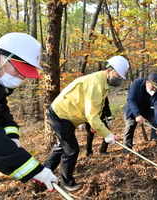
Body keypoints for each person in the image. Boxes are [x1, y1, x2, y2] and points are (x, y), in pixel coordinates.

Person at [44, 55, 130, 191]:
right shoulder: (95, 84)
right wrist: (106, 134)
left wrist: (98, 126)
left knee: (62, 145)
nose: (119, 79)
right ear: (109, 70)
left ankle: (45, 171)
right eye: (118, 76)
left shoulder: (103, 82)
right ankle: (67, 183)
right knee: (71, 150)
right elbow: (91, 114)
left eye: (120, 77)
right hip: (61, 114)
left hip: (68, 115)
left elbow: (97, 109)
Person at [0, 32, 58, 192]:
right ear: (0, 57)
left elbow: (1, 112)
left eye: (25, 74)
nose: (21, 77)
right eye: (19, 70)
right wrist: (35, 170)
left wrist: (12, 136)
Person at [123, 73, 157, 151]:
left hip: (146, 108)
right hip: (133, 108)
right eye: (153, 87)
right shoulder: (137, 83)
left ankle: (155, 145)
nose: (155, 89)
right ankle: (127, 149)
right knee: (130, 126)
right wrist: (137, 115)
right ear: (147, 82)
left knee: (155, 122)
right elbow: (131, 100)